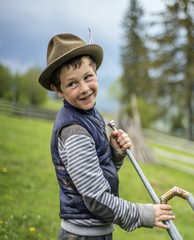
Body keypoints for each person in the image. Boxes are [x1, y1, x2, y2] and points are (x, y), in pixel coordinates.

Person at [38, 33, 175, 240]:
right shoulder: (74, 130)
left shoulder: (89, 114)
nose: (84, 89)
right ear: (58, 90)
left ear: (96, 72)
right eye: (72, 84)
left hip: (95, 232)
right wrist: (143, 214)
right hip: (84, 235)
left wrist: (115, 153)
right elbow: (96, 198)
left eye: (87, 77)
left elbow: (96, 176)